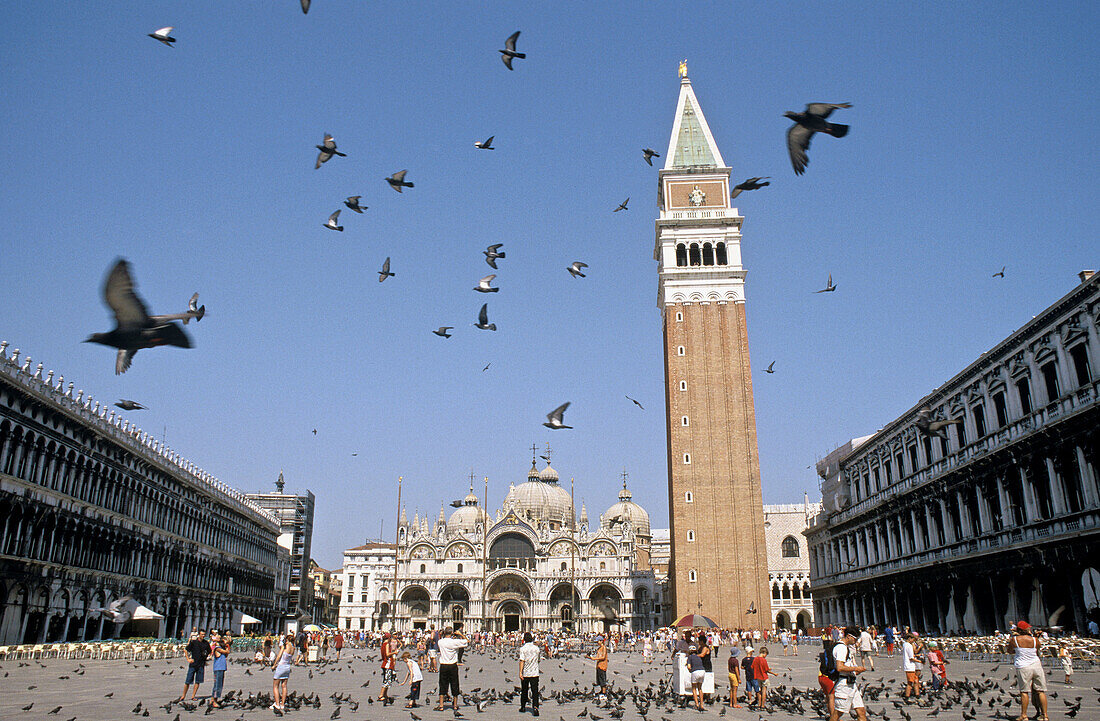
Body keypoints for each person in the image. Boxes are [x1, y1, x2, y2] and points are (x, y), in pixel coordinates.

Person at [1008, 622, 1048, 721]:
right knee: (1040, 691)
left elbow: (1009, 651)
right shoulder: (1035, 640)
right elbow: (1037, 649)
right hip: (1036, 665)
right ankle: (1045, 715)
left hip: (1023, 666)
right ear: (1026, 630)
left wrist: (1018, 651)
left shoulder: (1015, 640)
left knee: (1024, 691)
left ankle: (1024, 715)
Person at [831, 627, 868, 721]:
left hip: (851, 684)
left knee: (861, 712)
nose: (856, 641)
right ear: (848, 636)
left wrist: (855, 671)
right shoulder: (841, 648)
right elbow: (840, 667)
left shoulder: (845, 648)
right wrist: (856, 668)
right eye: (855, 639)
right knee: (837, 714)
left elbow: (845, 666)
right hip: (844, 685)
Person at [436, 626, 468, 711]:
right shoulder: (455, 642)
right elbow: (466, 642)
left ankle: (441, 705)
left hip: (443, 665)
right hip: (453, 666)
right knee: (454, 684)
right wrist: (460, 634)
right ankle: (455, 705)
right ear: (452, 633)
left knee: (442, 684)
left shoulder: (440, 642)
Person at [179, 628, 211, 702]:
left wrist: (206, 658)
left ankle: (193, 696)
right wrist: (188, 659)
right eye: (202, 634)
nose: (203, 636)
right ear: (199, 634)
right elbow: (186, 649)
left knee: (198, 681)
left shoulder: (206, 643)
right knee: (188, 681)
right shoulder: (194, 642)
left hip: (201, 664)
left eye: (204, 634)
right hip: (193, 664)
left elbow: (209, 651)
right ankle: (183, 695)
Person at [271, 633, 296, 713]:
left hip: (281, 666)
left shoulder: (285, 647)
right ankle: (282, 704)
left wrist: (274, 665)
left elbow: (279, 656)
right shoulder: (293, 648)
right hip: (287, 667)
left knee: (275, 686)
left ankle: (277, 704)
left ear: (287, 640)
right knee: (284, 686)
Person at [519, 631, 541, 716]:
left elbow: (522, 661)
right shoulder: (536, 649)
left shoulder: (523, 649)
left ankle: (523, 707)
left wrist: (520, 672)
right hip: (535, 673)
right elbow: (538, 660)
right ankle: (535, 707)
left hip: (526, 673)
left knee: (524, 690)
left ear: (524, 639)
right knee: (535, 691)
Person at [817, 635, 837, 721]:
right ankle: (833, 717)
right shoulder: (832, 654)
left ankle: (830, 714)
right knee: (831, 697)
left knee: (828, 697)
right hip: (827, 677)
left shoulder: (825, 653)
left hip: (820, 677)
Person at [211, 630, 231, 708]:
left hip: (221, 668)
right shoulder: (217, 648)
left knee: (219, 684)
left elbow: (226, 655)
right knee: (217, 685)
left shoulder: (221, 649)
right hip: (218, 668)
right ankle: (214, 701)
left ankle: (213, 700)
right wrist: (227, 646)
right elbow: (226, 652)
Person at [379, 632, 398, 704]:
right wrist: (394, 652)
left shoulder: (383, 644)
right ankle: (381, 695)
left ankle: (385, 694)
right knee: (386, 680)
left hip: (385, 663)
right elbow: (387, 654)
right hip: (387, 664)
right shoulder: (386, 644)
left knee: (387, 680)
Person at [901, 632, 921, 700]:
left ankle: (917, 695)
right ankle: (907, 697)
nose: (914, 641)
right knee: (910, 683)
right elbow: (911, 658)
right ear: (910, 638)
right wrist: (920, 661)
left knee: (916, 681)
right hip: (909, 666)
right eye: (913, 639)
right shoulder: (909, 645)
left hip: (908, 666)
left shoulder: (904, 644)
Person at [687, 646, 705, 711]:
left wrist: (690, 670)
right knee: (700, 688)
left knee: (694, 688)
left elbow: (689, 667)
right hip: (702, 671)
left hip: (695, 672)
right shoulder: (698, 656)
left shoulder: (690, 657)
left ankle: (697, 704)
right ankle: (702, 704)